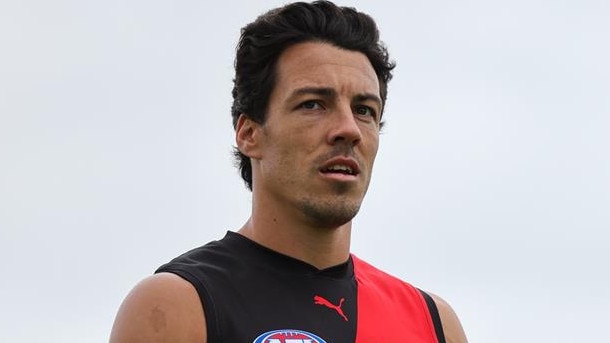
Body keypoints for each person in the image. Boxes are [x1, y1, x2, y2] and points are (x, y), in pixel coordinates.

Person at [109, 1, 468, 342]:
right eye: (313, 104)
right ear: (249, 134)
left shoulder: (433, 324)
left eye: (364, 110)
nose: (348, 129)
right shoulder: (180, 306)